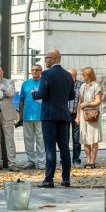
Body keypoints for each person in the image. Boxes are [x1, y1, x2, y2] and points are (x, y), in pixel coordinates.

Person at [32, 49, 75, 188]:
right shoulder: (68, 75)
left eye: (46, 57)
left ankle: (49, 179)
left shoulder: (46, 74)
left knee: (50, 148)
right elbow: (71, 96)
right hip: (63, 114)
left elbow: (41, 94)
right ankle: (66, 179)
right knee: (64, 148)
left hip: (49, 115)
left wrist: (34, 93)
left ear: (54, 58)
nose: (45, 60)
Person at [76, 67, 103, 168]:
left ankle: (93, 161)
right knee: (84, 138)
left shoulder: (96, 86)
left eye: (84, 74)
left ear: (89, 75)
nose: (82, 76)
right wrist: (78, 116)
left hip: (93, 115)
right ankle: (88, 159)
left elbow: (98, 101)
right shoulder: (82, 86)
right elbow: (80, 102)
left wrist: (87, 104)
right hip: (83, 115)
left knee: (93, 138)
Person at [18, 64, 44, 169]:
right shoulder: (25, 84)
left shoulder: (44, 82)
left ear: (41, 71)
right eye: (33, 70)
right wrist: (20, 115)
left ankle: (42, 161)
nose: (35, 72)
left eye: (37, 70)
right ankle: (31, 160)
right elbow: (21, 100)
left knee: (41, 139)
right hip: (27, 115)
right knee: (28, 139)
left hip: (41, 116)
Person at [67, 68, 83, 166]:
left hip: (76, 114)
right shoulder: (64, 83)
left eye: (73, 75)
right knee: (64, 138)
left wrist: (78, 115)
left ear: (76, 75)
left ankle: (76, 159)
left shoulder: (81, 85)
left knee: (76, 138)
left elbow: (81, 101)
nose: (71, 77)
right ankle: (65, 159)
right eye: (69, 75)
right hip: (65, 114)